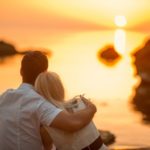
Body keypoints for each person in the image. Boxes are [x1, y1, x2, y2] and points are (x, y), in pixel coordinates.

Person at [0, 51, 97, 150]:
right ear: (45, 73)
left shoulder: (4, 97)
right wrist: (92, 108)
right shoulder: (38, 102)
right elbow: (73, 123)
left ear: (21, 71)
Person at [35, 71, 108, 150]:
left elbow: (48, 147)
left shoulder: (46, 123)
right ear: (60, 88)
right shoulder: (81, 104)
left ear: (39, 93)